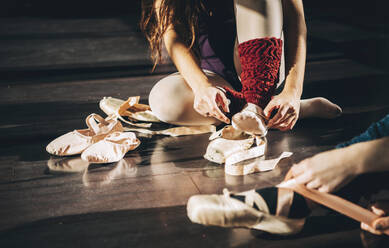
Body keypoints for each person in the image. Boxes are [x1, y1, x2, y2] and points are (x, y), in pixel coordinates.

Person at [140, 0, 342, 130]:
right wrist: (202, 87)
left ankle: (257, 103)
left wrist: (292, 92)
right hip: (215, 77)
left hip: (263, 66)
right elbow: (172, 33)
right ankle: (266, 110)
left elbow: (295, 22)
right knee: (162, 99)